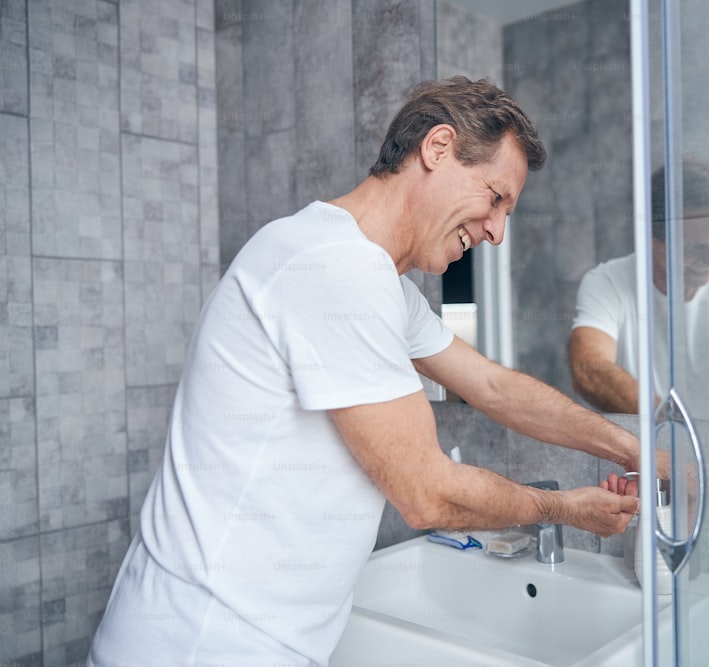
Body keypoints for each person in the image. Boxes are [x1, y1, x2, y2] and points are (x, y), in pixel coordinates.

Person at [87, 76, 650, 667]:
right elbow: (427, 495)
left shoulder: (374, 278)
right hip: (199, 642)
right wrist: (565, 509)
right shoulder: (335, 268)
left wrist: (631, 448)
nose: (496, 231)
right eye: (496, 197)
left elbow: (492, 387)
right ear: (437, 149)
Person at [569, 155, 709, 420]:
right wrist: (673, 427)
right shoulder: (608, 283)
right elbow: (589, 370)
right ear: (651, 241)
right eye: (694, 247)